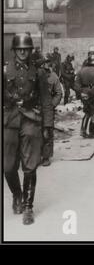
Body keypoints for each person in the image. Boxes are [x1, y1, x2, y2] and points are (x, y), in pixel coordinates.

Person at [3, 33, 52, 225]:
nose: (23, 52)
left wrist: (47, 125)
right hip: (9, 119)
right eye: (20, 49)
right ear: (14, 51)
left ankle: (28, 207)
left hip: (31, 119)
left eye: (26, 49)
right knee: (7, 167)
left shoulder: (38, 72)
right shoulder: (5, 71)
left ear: (31, 50)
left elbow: (47, 100)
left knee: (30, 166)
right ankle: (17, 194)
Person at [41, 57, 63, 166]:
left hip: (48, 109)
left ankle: (46, 157)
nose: (45, 65)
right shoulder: (35, 75)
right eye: (43, 63)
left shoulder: (53, 77)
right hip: (34, 107)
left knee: (47, 132)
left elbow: (59, 93)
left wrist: (52, 105)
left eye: (47, 63)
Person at [74, 53, 94, 138]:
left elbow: (76, 85)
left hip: (84, 94)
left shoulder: (81, 71)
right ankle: (92, 133)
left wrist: (81, 92)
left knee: (87, 112)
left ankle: (83, 131)